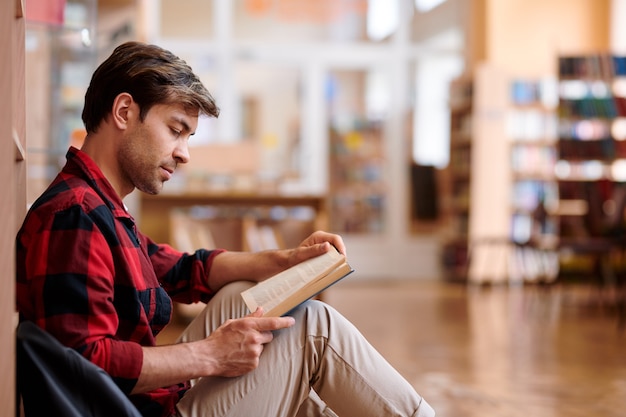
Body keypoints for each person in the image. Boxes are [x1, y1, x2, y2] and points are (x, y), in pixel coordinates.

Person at [16, 41, 434, 417]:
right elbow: (84, 363)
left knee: (243, 299)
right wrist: (211, 355)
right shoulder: (75, 215)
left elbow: (181, 269)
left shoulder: (100, 205)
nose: (184, 154)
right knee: (312, 330)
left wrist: (284, 260)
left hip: (150, 400)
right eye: (176, 130)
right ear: (124, 112)